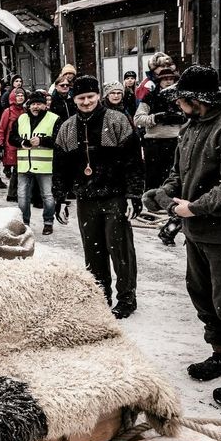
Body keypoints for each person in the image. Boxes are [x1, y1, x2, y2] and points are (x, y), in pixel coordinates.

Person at [143, 65, 221, 408]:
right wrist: (164, 193)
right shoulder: (191, 127)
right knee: (203, 294)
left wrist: (195, 208)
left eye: (183, 99)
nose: (179, 104)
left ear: (199, 99)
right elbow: (179, 173)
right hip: (197, 230)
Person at [53, 76, 144, 319]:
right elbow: (60, 166)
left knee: (120, 249)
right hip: (85, 197)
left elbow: (133, 161)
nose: (86, 102)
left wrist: (134, 194)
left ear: (98, 96)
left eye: (90, 97)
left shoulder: (117, 120)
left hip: (114, 196)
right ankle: (100, 294)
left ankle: (126, 298)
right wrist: (60, 197)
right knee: (93, 251)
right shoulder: (67, 128)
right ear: (74, 99)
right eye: (81, 98)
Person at [10, 91, 63, 235]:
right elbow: (12, 138)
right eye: (33, 104)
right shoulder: (21, 119)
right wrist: (22, 142)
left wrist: (42, 141)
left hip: (45, 165)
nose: (35, 107)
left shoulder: (54, 119)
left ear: (45, 105)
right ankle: (24, 223)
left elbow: (59, 141)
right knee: (22, 196)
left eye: (39, 104)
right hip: (24, 165)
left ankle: (48, 222)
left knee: (47, 195)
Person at [134, 68, 184, 190]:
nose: (168, 82)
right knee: (153, 176)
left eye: (171, 79)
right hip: (154, 142)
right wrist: (156, 118)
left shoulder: (181, 98)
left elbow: (193, 117)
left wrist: (181, 118)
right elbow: (138, 119)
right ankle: (152, 202)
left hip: (176, 141)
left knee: (174, 176)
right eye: (165, 79)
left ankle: (171, 201)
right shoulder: (150, 97)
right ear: (159, 81)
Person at [0, 87, 26, 202]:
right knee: (17, 170)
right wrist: (1, 144)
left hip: (23, 144)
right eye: (18, 95)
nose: (20, 97)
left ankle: (17, 193)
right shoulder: (7, 111)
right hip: (11, 145)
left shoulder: (25, 111)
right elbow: (1, 129)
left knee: (21, 170)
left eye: (22, 95)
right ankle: (13, 194)